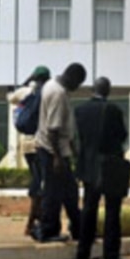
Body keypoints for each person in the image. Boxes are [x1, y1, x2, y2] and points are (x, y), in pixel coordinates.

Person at [74, 76, 129, 259]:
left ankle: (82, 254)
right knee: (113, 210)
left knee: (89, 209)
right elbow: (122, 135)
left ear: (92, 90)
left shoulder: (80, 110)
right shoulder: (113, 110)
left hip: (88, 165)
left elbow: (79, 137)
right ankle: (111, 254)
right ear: (108, 90)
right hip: (110, 164)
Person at [33, 62, 86, 243]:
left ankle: (79, 229)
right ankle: (47, 231)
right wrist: (57, 158)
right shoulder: (58, 94)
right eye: (78, 84)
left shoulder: (51, 84)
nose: (77, 88)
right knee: (53, 193)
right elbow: (53, 129)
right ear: (73, 79)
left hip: (55, 149)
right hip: (52, 151)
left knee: (69, 191)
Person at [6, 65, 51, 237]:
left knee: (37, 179)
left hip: (26, 144)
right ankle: (33, 223)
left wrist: (26, 81)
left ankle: (34, 220)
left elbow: (10, 98)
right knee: (41, 183)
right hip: (41, 144)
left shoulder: (25, 92)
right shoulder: (47, 93)